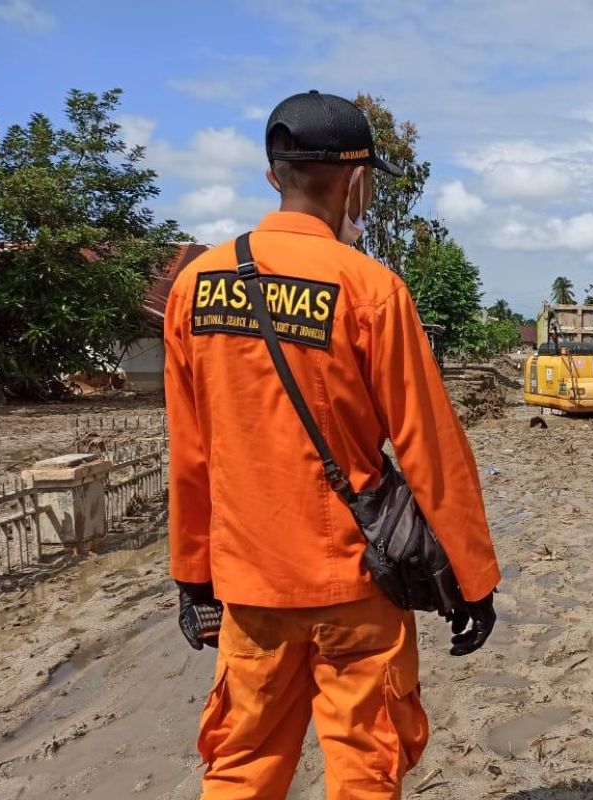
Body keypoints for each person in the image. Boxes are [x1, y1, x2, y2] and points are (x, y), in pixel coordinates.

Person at [163, 90, 501, 800]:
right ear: (358, 183)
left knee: (240, 768)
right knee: (364, 772)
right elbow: (430, 449)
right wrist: (473, 581)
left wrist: (193, 575)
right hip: (358, 588)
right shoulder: (371, 289)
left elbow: (190, 452)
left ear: (273, 176)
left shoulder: (195, 287)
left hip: (250, 591)